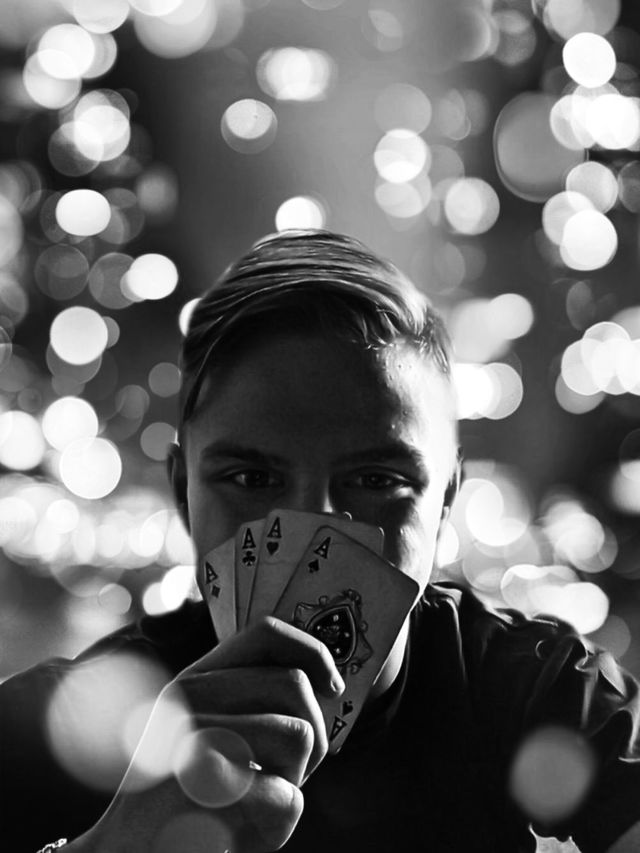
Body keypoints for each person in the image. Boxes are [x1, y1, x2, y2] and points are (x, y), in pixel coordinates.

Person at [2, 229, 640, 853]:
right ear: (183, 493)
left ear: (445, 497)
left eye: (376, 480)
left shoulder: (543, 688)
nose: (315, 528)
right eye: (252, 478)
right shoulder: (48, 723)